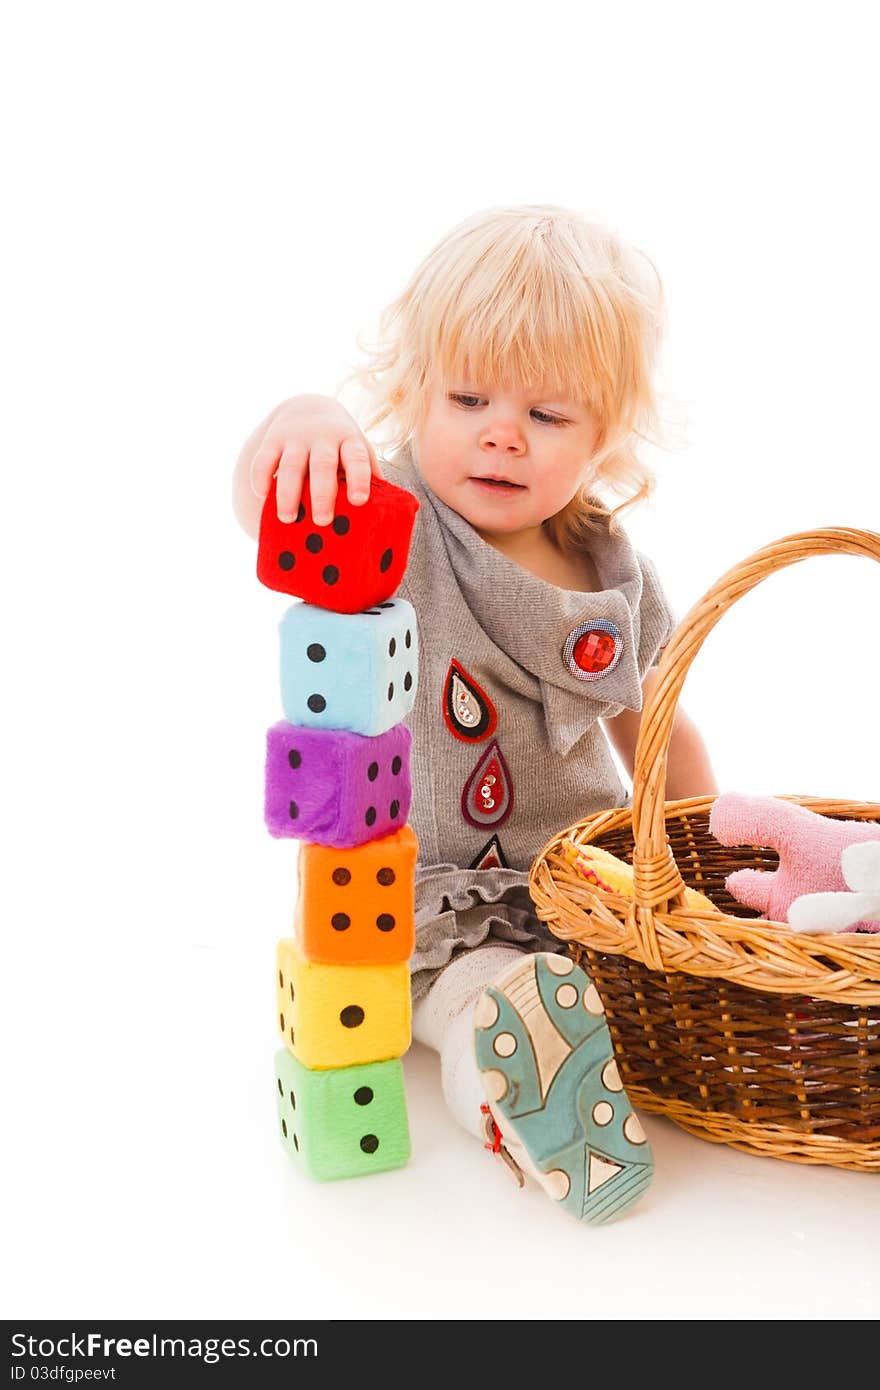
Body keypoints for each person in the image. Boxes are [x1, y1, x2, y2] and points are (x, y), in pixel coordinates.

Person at [233, 204, 717, 1224]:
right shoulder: (396, 529)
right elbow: (267, 510)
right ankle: (499, 1073)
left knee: (644, 986)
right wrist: (298, 425)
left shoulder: (612, 573)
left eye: (548, 416)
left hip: (580, 882)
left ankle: (599, 1042)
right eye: (467, 396)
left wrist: (696, 878)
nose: (502, 431)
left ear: (605, 437)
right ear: (412, 391)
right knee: (473, 995)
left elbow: (660, 735)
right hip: (431, 898)